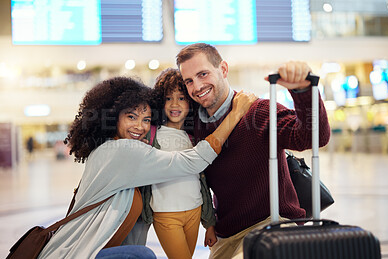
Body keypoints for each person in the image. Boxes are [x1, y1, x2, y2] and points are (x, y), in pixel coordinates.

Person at [37, 76, 257, 259]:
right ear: (113, 117)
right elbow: (192, 161)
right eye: (131, 117)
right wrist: (236, 114)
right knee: (143, 256)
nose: (140, 127)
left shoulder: (109, 148)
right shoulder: (122, 151)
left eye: (146, 119)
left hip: (94, 249)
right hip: (78, 253)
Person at [176, 43, 331, 259]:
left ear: (223, 69)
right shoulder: (194, 125)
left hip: (273, 224)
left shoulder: (258, 112)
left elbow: (312, 137)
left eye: (203, 74)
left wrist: (303, 90)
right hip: (227, 236)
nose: (197, 86)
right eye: (189, 81)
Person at [140, 68, 219, 259]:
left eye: (182, 98)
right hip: (166, 214)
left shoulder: (194, 138)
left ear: (191, 102)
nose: (174, 104)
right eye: (168, 98)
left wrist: (209, 224)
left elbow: (202, 182)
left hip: (194, 210)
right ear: (160, 102)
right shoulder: (151, 135)